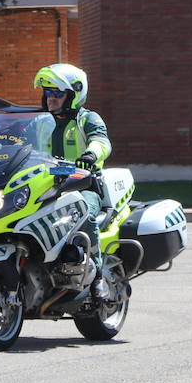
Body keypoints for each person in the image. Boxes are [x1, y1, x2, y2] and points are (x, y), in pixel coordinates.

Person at [34, 63, 113, 297]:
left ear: (74, 94)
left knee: (83, 213)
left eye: (58, 93)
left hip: (84, 186)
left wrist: (91, 154)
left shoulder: (86, 119)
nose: (51, 98)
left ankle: (98, 275)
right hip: (47, 186)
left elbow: (102, 141)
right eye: (48, 92)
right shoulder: (39, 122)